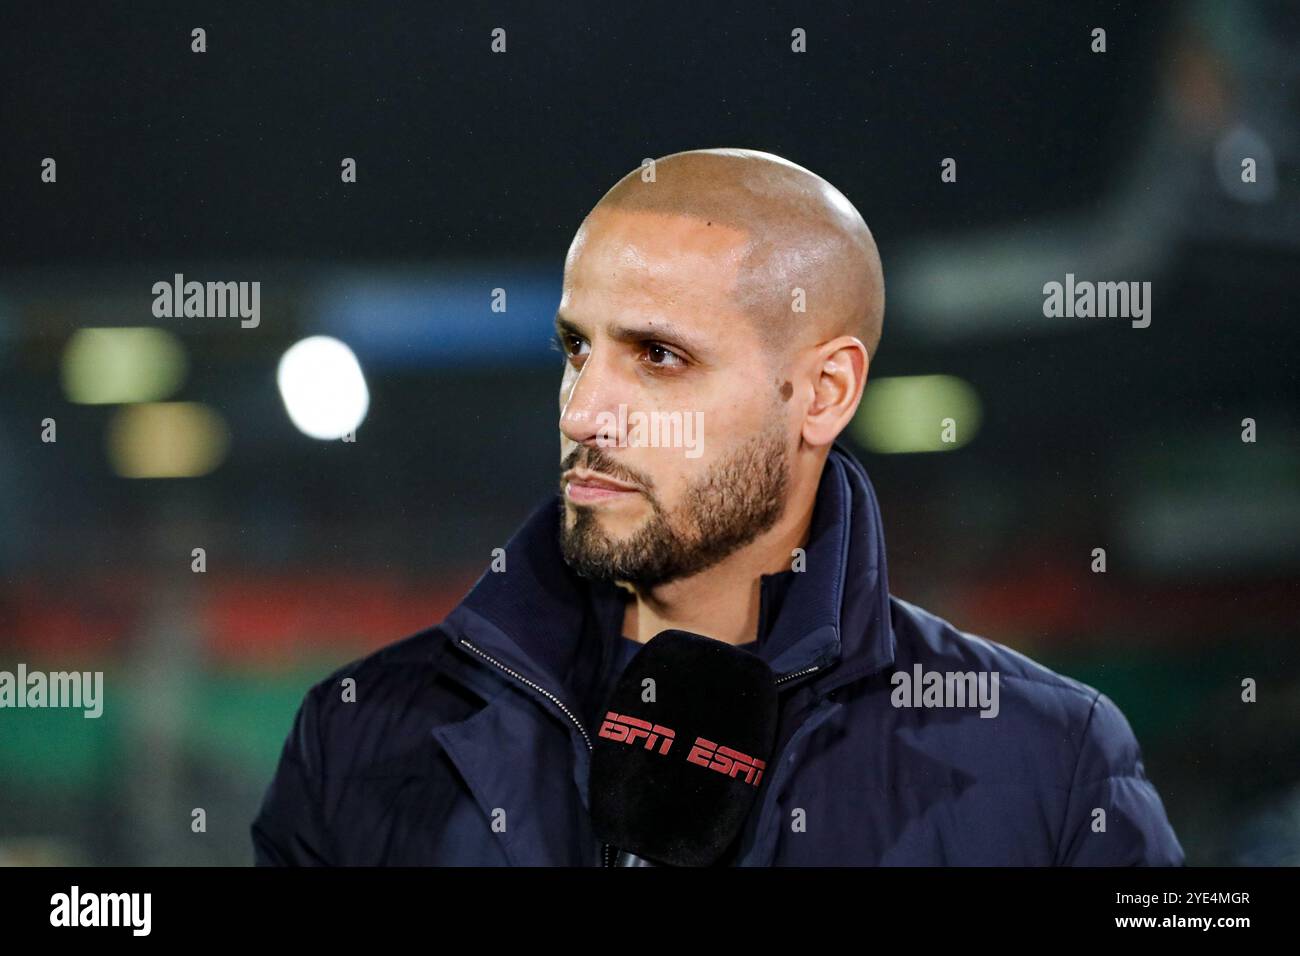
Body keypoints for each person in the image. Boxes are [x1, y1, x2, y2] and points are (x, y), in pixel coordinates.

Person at [251, 148, 1184, 865]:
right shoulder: (362, 727)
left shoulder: (1050, 763)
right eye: (576, 349)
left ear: (821, 394)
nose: (583, 412)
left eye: (657, 356)